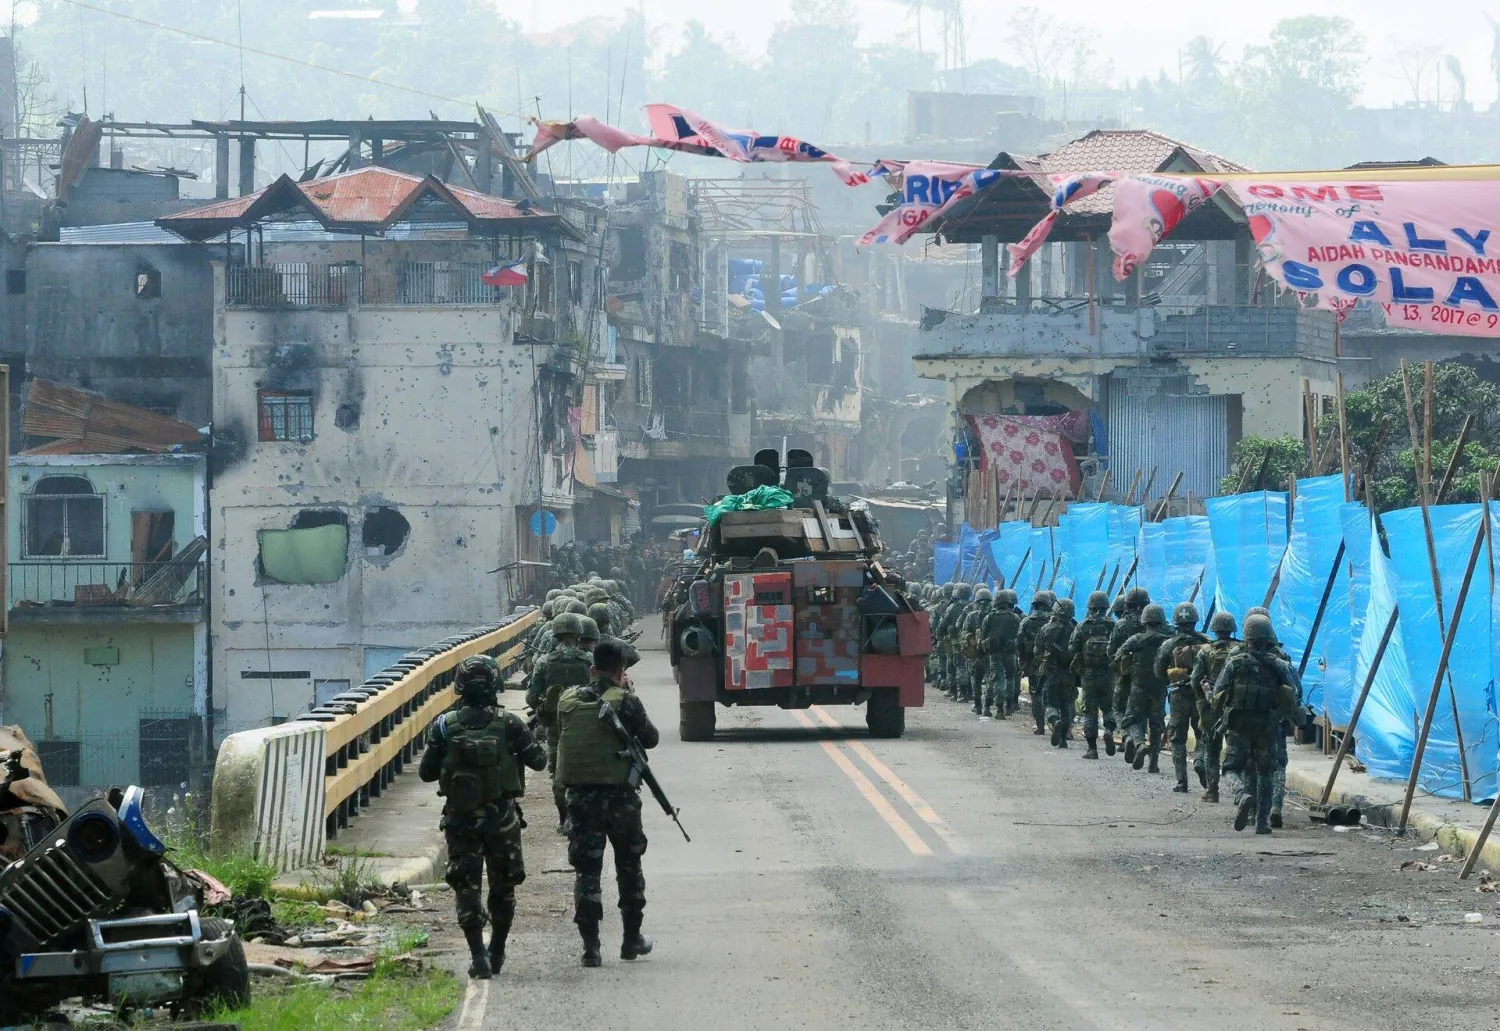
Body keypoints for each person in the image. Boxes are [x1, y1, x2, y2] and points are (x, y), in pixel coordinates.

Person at [418, 656, 547, 979]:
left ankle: (479, 957)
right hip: (502, 820)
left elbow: (426, 773)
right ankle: (498, 951)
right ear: (495, 685)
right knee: (504, 888)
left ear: (459, 687)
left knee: (467, 887)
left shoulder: (445, 726)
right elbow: (539, 762)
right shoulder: (511, 724)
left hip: (461, 821)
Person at [556, 640, 660, 967]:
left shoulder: (568, 701)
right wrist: (630, 694)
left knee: (587, 871)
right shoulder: (627, 702)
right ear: (621, 672)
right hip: (621, 801)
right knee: (629, 868)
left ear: (592, 670)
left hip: (580, 800)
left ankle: (591, 948)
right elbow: (651, 739)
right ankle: (631, 941)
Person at [1212, 614, 1297, 834]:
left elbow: (1217, 691)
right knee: (1266, 771)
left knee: (1231, 768)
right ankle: (1262, 823)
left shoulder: (1234, 662)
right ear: (1269, 636)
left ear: (1246, 637)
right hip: (1267, 725)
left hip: (1238, 724)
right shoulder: (1279, 664)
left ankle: (1242, 795)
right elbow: (1294, 692)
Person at [527, 612, 594, 833]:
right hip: (584, 722)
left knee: (558, 769)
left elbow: (531, 696)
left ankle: (564, 818)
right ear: (577, 635)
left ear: (555, 635)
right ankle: (582, 815)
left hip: (555, 723)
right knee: (584, 768)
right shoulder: (589, 661)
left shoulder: (544, 662)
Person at [1155, 602, 1210, 793]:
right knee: (1203, 732)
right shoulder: (1207, 643)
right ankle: (1200, 760)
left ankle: (1181, 781)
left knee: (1177, 738)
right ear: (1195, 620)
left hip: (1178, 696)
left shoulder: (1169, 644)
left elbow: (1158, 671)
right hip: (1200, 696)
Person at [1189, 611, 1239, 803]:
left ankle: (1212, 790)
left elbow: (1195, 680)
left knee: (1212, 746)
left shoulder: (1205, 650)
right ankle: (1240, 792)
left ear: (1215, 629)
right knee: (1236, 748)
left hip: (1212, 706)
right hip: (1235, 706)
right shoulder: (1240, 649)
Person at [1116, 603, 1172, 772]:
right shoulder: (1168, 641)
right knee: (1156, 724)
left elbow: (1118, 654)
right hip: (1160, 687)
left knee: (1132, 719)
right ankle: (1153, 763)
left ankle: (1139, 743)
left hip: (1138, 686)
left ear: (1144, 621)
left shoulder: (1136, 639)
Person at [1069, 591, 1116, 758]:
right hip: (1109, 674)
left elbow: (1072, 648)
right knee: (1109, 707)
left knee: (1089, 711)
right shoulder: (1112, 625)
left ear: (1090, 606)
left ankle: (1092, 749)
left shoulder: (1083, 626)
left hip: (1088, 675)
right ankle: (1109, 730)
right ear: (1106, 607)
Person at [1108, 588, 1148, 753]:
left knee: (1118, 707)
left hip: (1125, 674)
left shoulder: (1121, 624)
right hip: (1150, 675)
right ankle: (1139, 741)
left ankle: (1127, 736)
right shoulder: (1159, 626)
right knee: (1143, 710)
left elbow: (1111, 650)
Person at [1037, 596, 1078, 747]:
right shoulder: (1075, 630)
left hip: (1051, 673)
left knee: (1050, 703)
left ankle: (1055, 721)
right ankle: (1063, 739)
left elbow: (1037, 650)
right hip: (1069, 673)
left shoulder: (1046, 629)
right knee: (1066, 704)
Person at [1017, 590, 1055, 735]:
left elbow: (1019, 642)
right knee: (1052, 693)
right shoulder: (1054, 620)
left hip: (1033, 662)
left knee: (1035, 693)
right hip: (1053, 664)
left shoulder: (1027, 621)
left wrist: (1023, 660)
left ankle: (1040, 726)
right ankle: (1057, 722)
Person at [982, 588, 1022, 719]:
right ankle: (1008, 707)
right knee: (1010, 679)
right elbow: (1019, 636)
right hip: (1010, 653)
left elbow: (982, 636)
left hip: (994, 653)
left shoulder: (989, 617)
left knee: (996, 679)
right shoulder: (1015, 617)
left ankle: (997, 708)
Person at [962, 586, 993, 713]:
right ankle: (987, 706)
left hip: (975, 653)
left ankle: (978, 705)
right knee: (990, 679)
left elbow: (963, 631)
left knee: (976, 679)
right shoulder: (993, 615)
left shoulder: (971, 615)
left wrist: (972, 642)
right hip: (991, 653)